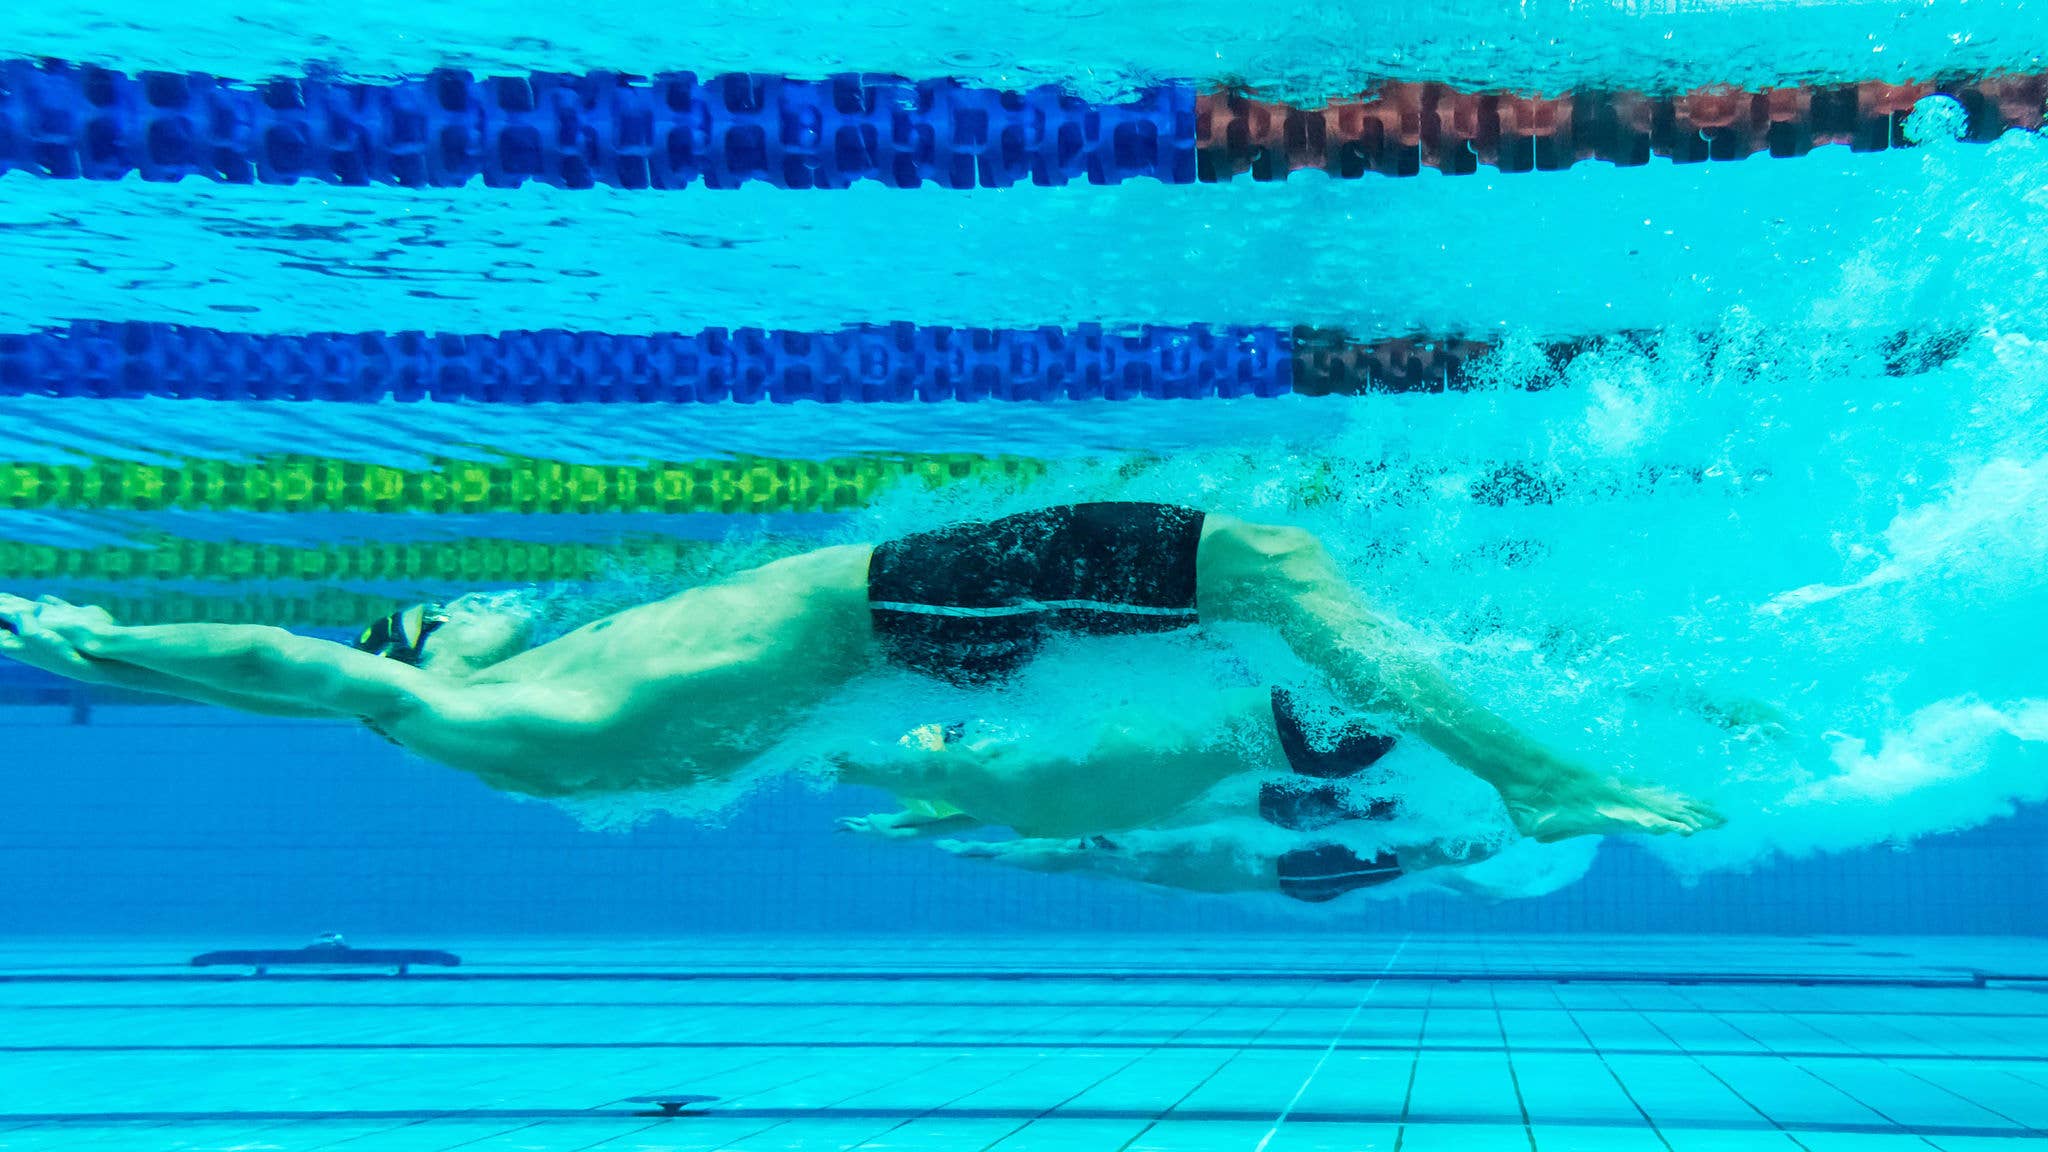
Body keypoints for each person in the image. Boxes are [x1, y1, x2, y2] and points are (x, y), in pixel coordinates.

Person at [0, 502, 1721, 842]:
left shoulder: (523, 730)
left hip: (906, 643)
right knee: (1265, 561)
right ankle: (1538, 764)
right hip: (891, 607)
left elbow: (292, 683)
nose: (474, 611)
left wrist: (149, 674)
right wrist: (97, 639)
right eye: (440, 626)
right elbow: (287, 664)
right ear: (410, 661)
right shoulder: (473, 704)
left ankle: (1576, 709)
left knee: (1262, 612)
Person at [836, 684, 1510, 903]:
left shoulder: (1029, 761)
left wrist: (926, 825)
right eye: (961, 736)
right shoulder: (1028, 784)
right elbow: (987, 795)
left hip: (1260, 789)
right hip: (1264, 797)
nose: (975, 732)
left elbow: (985, 795)